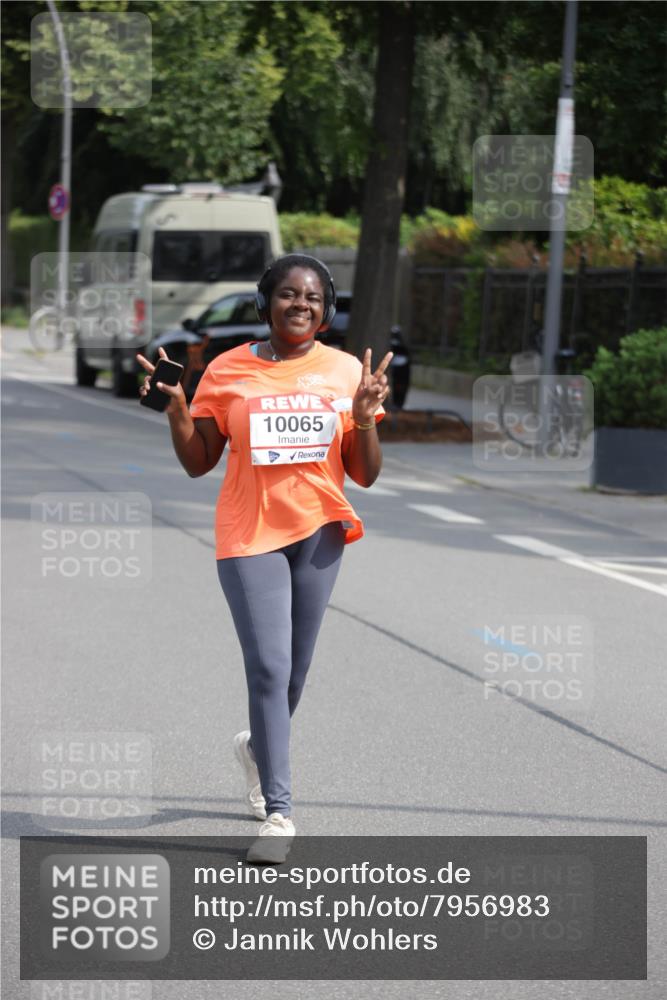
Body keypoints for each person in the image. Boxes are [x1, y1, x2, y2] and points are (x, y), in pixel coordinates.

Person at [137, 253, 392, 862]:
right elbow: (200, 460)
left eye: (311, 298)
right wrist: (177, 408)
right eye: (287, 295)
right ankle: (279, 813)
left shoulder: (345, 372)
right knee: (269, 670)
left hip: (321, 533)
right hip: (250, 534)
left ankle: (256, 749)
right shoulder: (227, 370)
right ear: (266, 303)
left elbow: (365, 473)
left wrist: (364, 420)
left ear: (326, 311)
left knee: (294, 675)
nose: (299, 305)